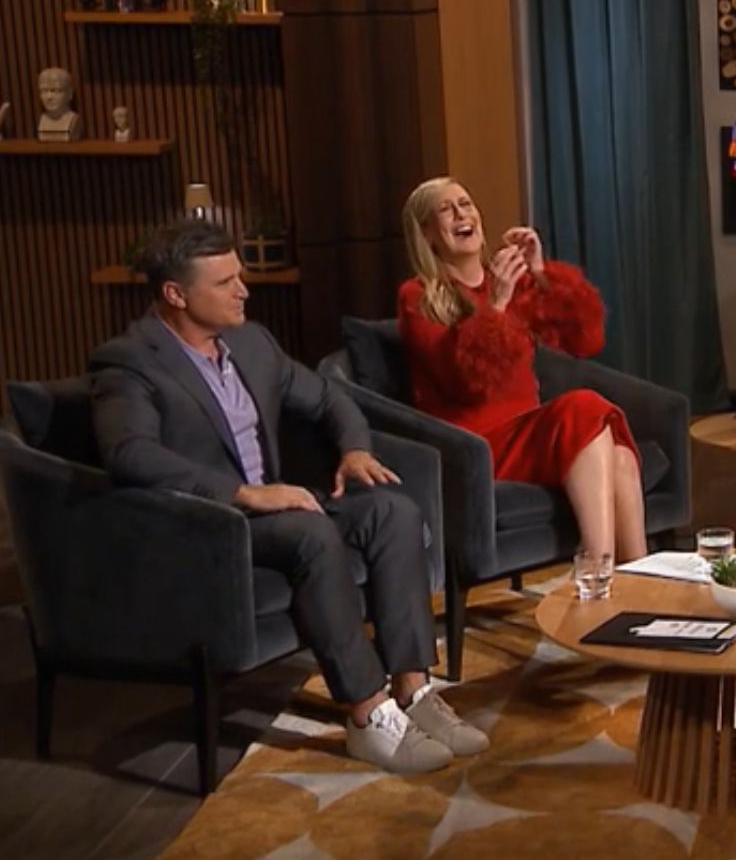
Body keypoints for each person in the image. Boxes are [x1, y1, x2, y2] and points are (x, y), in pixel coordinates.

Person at [90, 218, 489, 774]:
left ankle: (413, 691)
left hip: (280, 505)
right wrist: (244, 493)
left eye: (240, 277)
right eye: (225, 282)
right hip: (210, 521)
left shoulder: (251, 341)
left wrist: (353, 449)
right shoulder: (131, 361)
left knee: (393, 510)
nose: (243, 291)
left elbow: (329, 400)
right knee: (312, 533)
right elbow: (131, 453)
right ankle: (367, 714)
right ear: (176, 295)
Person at [398, 176, 647, 563]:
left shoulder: (508, 284)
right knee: (583, 406)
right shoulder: (418, 296)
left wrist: (541, 273)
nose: (462, 214)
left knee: (620, 457)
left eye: (466, 203)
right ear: (427, 234)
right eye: (446, 209)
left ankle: (643, 581)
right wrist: (496, 305)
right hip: (475, 447)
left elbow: (585, 340)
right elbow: (465, 380)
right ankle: (598, 569)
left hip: (526, 436)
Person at [37, 67, 82, 142]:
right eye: (44, 91)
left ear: (70, 93)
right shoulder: (42, 120)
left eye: (55, 91)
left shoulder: (74, 120)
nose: (49, 97)